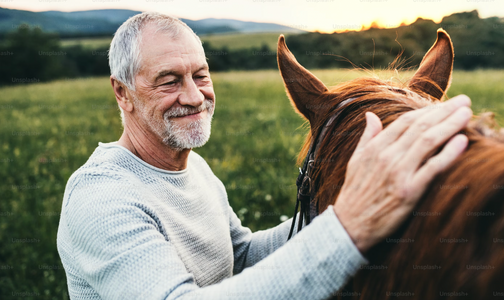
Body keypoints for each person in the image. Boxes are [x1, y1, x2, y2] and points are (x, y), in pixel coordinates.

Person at [57, 12, 472, 300]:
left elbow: (239, 258)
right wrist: (348, 226)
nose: (193, 95)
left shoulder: (193, 169)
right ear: (121, 92)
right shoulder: (103, 200)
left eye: (200, 75)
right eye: (168, 81)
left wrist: (338, 205)